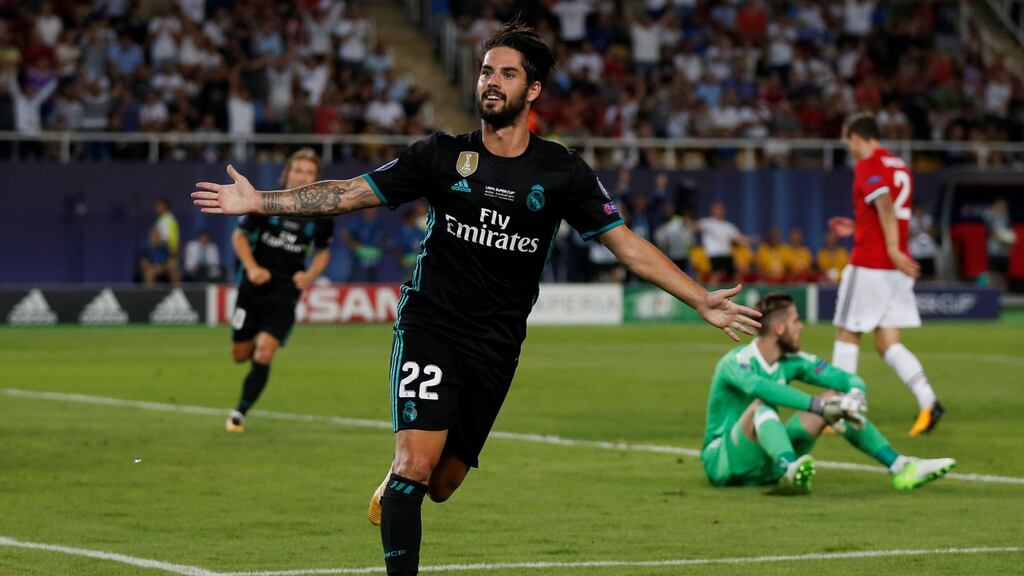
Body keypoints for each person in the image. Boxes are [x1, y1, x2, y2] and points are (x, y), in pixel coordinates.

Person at [193, 21, 761, 576]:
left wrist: (701, 299)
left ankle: (400, 480)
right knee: (416, 466)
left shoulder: (561, 171)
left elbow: (628, 246)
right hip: (431, 324)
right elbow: (347, 194)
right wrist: (260, 201)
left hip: (497, 342)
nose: (491, 81)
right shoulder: (441, 156)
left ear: (532, 90)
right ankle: (401, 484)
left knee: (442, 483)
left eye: (507, 74)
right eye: (486, 71)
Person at [701, 292, 955, 494]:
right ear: (779, 328)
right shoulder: (736, 361)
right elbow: (762, 388)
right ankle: (790, 467)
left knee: (835, 400)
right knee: (761, 405)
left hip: (764, 464)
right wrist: (817, 406)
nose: (801, 327)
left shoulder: (792, 361)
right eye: (796, 321)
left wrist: (854, 394)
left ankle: (900, 467)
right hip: (724, 462)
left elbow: (844, 378)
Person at [829, 113, 943, 436]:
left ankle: (843, 408)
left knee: (847, 334)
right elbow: (889, 211)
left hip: (872, 264)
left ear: (857, 137)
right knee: (887, 342)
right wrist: (857, 227)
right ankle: (928, 400)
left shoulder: (868, 164)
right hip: (896, 269)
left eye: (846, 139)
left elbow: (884, 203)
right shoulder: (899, 165)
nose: (846, 146)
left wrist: (891, 247)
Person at [224, 148, 334, 433]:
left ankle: (239, 413)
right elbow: (239, 237)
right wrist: (251, 267)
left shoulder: (321, 214)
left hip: (286, 291)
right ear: (287, 172)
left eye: (309, 172)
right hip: (254, 286)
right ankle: (251, 347)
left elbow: (323, 252)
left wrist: (309, 275)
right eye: (298, 170)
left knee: (264, 353)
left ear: (316, 178)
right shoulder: (265, 202)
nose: (303, 176)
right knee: (240, 355)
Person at [697, 201, 748, 283]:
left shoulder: (728, 226)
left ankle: (737, 294)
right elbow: (694, 226)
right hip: (714, 254)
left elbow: (739, 238)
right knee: (716, 274)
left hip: (726, 254)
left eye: (721, 209)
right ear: (712, 210)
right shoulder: (707, 222)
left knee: (735, 275)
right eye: (717, 209)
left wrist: (748, 240)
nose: (720, 211)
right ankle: (710, 293)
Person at [139, 197, 182, 286]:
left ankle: (177, 296)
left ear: (165, 206)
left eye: (158, 206)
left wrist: (173, 253)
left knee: (175, 272)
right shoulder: (162, 220)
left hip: (170, 254)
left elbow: (172, 239)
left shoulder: (168, 220)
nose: (156, 208)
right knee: (151, 272)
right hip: (162, 259)